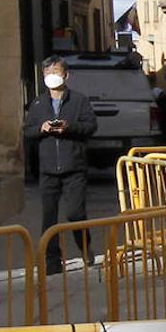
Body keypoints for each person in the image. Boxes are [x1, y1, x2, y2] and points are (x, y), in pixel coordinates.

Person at [23, 55, 96, 273]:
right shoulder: (37, 104)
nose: (52, 76)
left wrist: (69, 126)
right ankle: (53, 261)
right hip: (47, 169)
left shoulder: (79, 101)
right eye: (48, 73)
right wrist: (41, 128)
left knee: (75, 213)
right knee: (49, 218)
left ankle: (85, 247)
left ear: (65, 75)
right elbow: (27, 131)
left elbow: (91, 126)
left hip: (74, 166)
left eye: (56, 72)